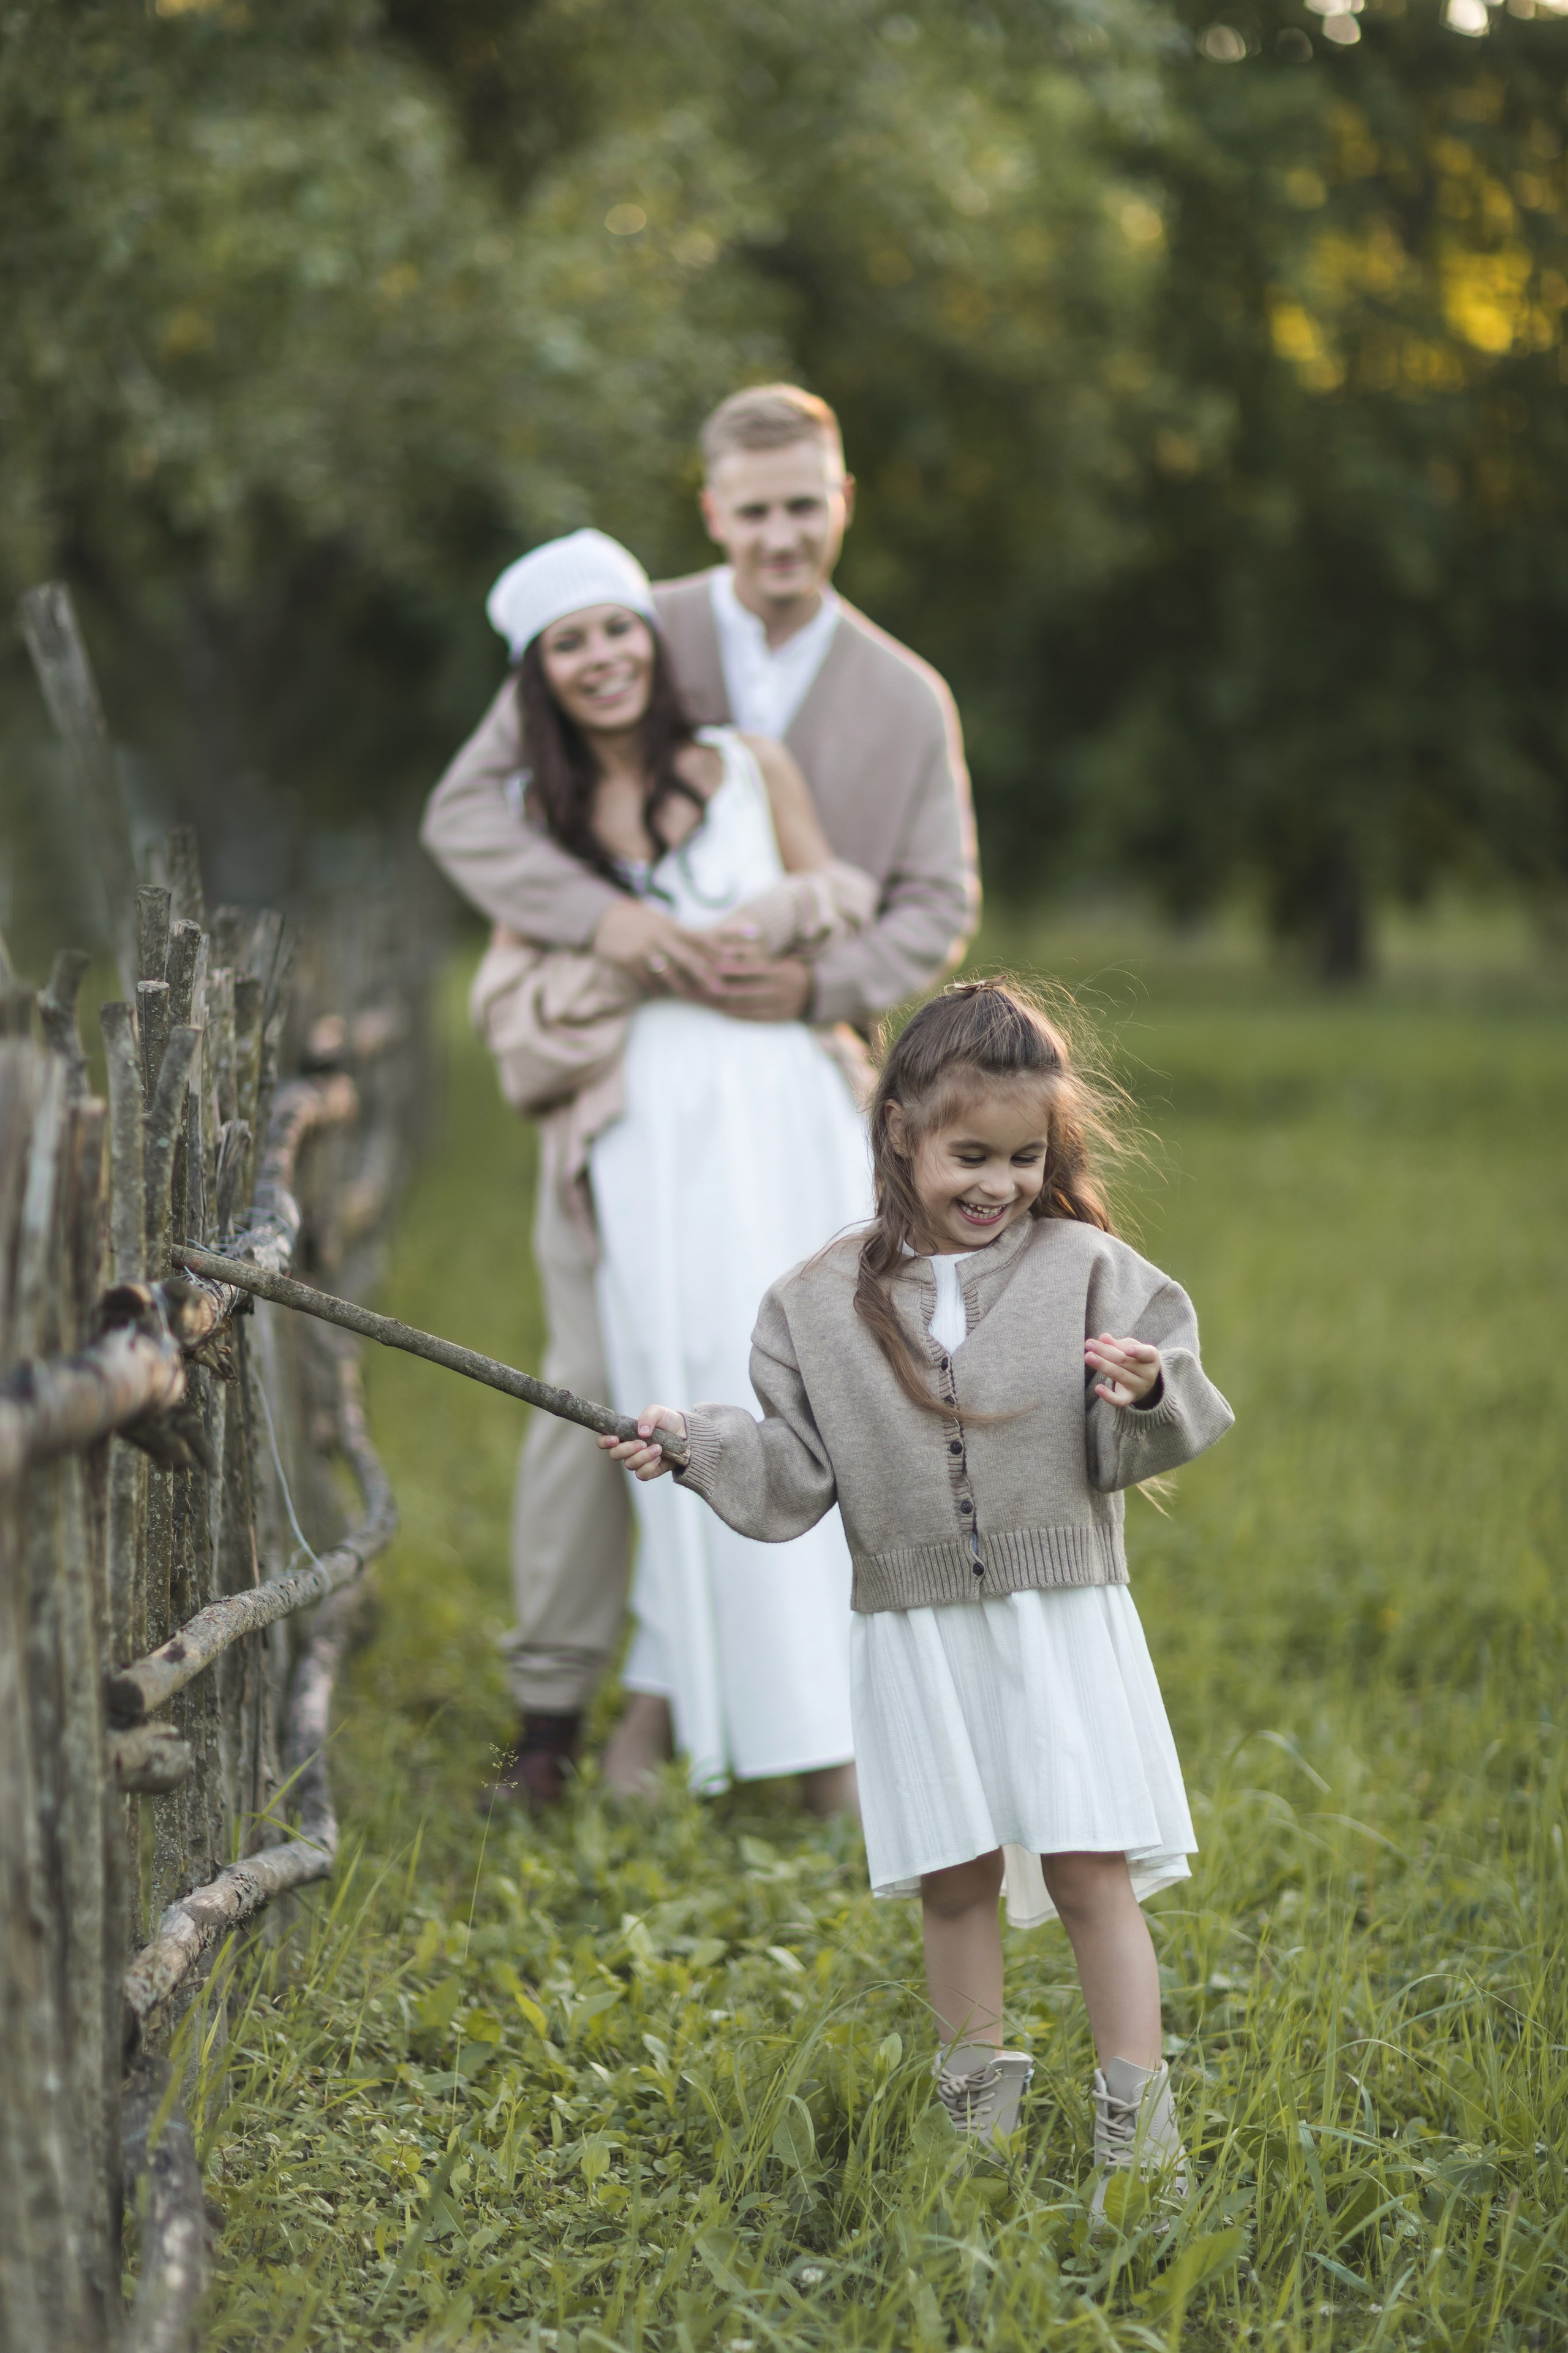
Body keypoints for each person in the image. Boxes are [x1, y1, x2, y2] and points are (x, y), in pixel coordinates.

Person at [421, 385, 979, 1807]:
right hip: (634, 1110)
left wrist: (807, 979)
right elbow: (471, 809)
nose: (780, 534)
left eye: (805, 505)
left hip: (787, 1081)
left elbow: (933, 901)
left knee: (832, 1371)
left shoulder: (899, 693)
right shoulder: (621, 617)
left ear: (840, 501)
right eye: (753, 509)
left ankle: (797, 1705)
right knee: (615, 1381)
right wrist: (611, 926)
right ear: (712, 510)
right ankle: (559, 1709)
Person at [597, 981, 1234, 2207]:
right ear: (899, 1130)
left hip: (1059, 1622)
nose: (999, 1184)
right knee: (954, 1875)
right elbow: (790, 1474)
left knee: (1087, 1867)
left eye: (1024, 1157)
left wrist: (1149, 1390)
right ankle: (974, 2126)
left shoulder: (1092, 1272)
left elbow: (1167, 1416)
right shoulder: (813, 1304)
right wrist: (692, 1442)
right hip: (914, 1633)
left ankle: (1139, 2126)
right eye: (969, 1156)